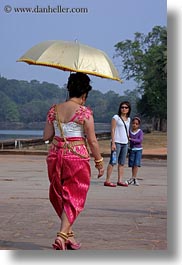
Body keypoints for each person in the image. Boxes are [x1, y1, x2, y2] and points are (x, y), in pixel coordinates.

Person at [43, 72, 104, 250]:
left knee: (59, 194)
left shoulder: (53, 110)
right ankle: (62, 236)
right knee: (75, 196)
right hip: (76, 156)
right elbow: (92, 141)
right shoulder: (85, 113)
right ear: (85, 93)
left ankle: (69, 235)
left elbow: (46, 136)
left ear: (69, 90)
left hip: (55, 155)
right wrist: (99, 162)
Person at [104, 101, 131, 187]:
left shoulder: (129, 119)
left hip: (125, 143)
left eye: (126, 107)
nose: (124, 109)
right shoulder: (116, 117)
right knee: (113, 161)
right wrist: (113, 143)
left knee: (122, 163)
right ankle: (107, 180)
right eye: (122, 107)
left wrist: (129, 139)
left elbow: (126, 131)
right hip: (117, 142)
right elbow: (112, 130)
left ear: (129, 109)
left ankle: (120, 180)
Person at [126, 117, 143, 186]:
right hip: (132, 149)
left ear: (138, 125)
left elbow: (140, 140)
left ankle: (134, 177)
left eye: (136, 124)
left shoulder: (140, 132)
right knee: (132, 164)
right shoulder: (129, 131)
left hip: (138, 150)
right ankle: (133, 177)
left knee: (136, 164)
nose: (134, 125)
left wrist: (131, 139)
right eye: (133, 123)